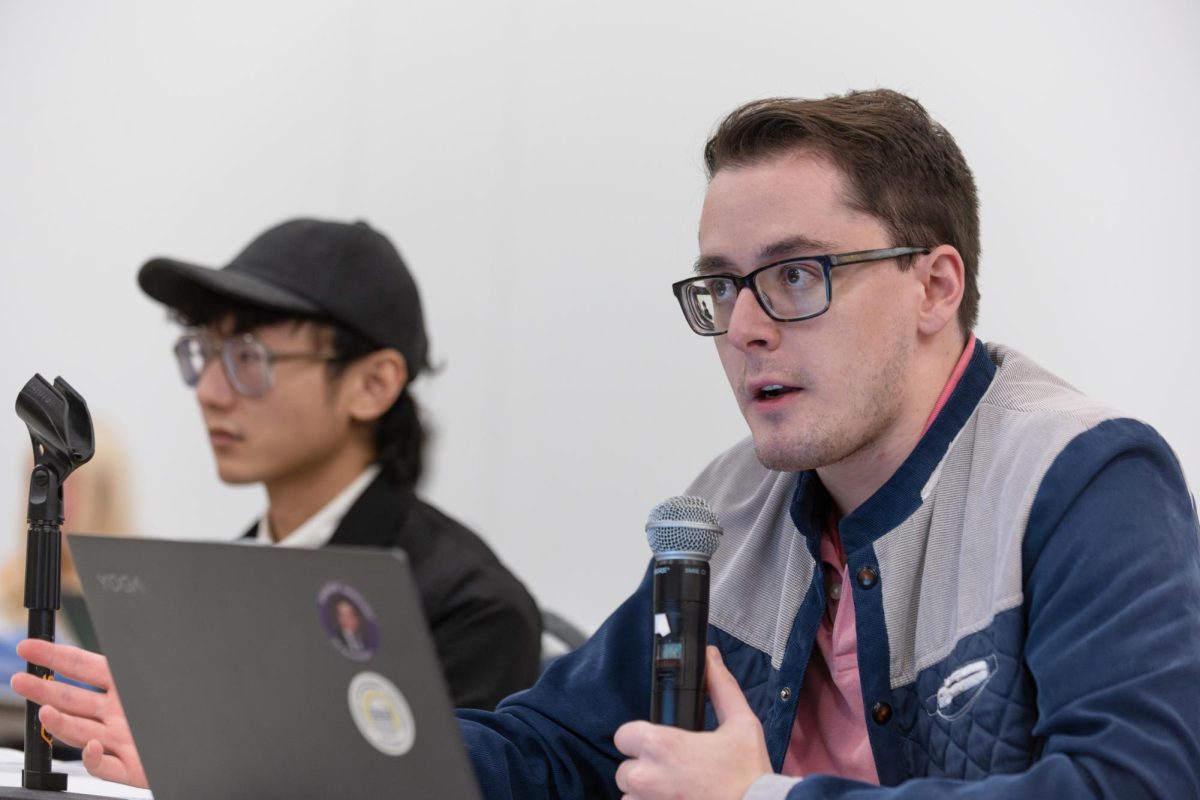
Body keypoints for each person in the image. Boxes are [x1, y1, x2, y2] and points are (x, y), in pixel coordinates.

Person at [11, 91, 1200, 798]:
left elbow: (1138, 785)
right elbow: (547, 744)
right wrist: (248, 751)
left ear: (937, 282)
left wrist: (769, 795)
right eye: (720, 286)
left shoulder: (1086, 476)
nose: (740, 326)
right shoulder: (726, 510)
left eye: (794, 275)